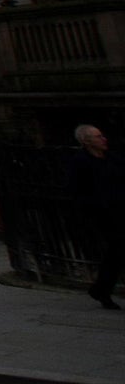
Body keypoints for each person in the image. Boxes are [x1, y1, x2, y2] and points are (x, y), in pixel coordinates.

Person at [69, 123, 125, 311]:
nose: (103, 139)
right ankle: (102, 289)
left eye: (102, 135)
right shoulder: (81, 162)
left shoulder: (113, 158)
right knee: (116, 250)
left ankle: (101, 288)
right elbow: (79, 191)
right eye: (98, 136)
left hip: (119, 209)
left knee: (115, 253)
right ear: (86, 141)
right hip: (102, 214)